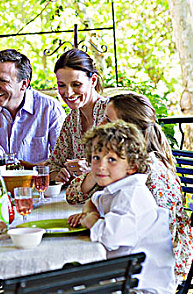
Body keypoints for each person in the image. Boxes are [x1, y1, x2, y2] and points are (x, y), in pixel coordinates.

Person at [66, 93, 193, 281]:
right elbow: (75, 195)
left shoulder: (150, 172)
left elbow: (154, 237)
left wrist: (94, 219)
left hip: (156, 269)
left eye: (108, 120)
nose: (100, 124)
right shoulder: (117, 163)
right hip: (133, 255)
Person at [68, 121, 175, 293]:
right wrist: (90, 210)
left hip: (143, 288)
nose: (101, 166)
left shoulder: (133, 196)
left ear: (132, 166)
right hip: (124, 278)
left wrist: (91, 220)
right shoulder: (120, 188)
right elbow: (95, 200)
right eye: (96, 157)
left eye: (112, 159)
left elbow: (110, 236)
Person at [48, 48, 108, 183]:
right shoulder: (71, 119)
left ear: (93, 81)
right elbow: (53, 164)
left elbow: (131, 165)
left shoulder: (112, 113)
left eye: (76, 84)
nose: (68, 93)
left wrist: (92, 169)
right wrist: (59, 174)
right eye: (61, 85)